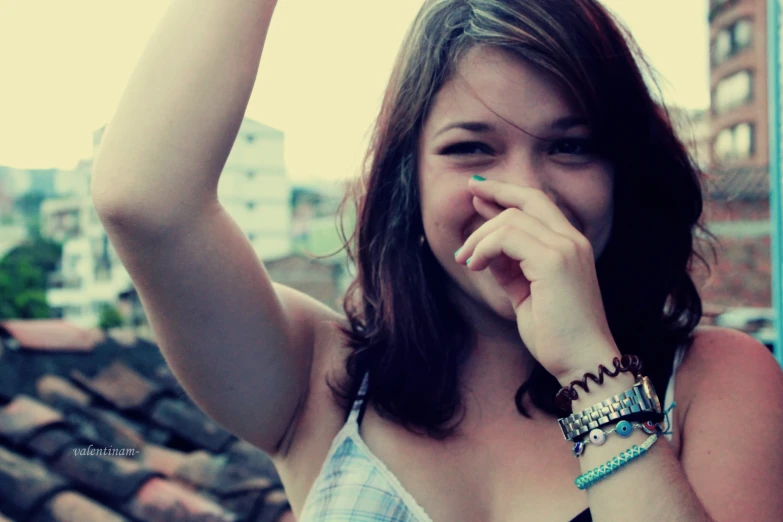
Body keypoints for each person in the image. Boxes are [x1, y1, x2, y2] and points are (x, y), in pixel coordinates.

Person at [91, 0, 783, 520]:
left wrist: (590, 371)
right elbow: (146, 201)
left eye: (570, 146)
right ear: (408, 178)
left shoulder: (714, 382)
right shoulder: (317, 376)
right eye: (469, 150)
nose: (523, 194)